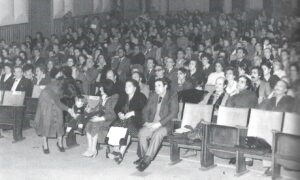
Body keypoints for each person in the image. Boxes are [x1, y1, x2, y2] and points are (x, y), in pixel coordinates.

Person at [136, 78, 179, 172]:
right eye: (155, 86)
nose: (156, 88)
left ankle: (146, 161)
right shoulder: (153, 95)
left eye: (159, 85)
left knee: (157, 134)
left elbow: (173, 113)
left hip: (166, 124)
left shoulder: (172, 95)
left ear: (165, 86)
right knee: (142, 133)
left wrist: (159, 124)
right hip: (152, 123)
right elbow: (145, 110)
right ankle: (144, 157)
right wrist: (146, 122)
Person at [34, 68, 76, 154]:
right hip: (45, 100)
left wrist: (69, 109)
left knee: (59, 120)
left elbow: (58, 101)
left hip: (54, 99)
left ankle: (59, 143)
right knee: (46, 121)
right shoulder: (57, 87)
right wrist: (69, 110)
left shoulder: (64, 85)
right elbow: (58, 102)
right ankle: (44, 144)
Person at [108, 79, 147, 164]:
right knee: (116, 125)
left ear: (135, 88)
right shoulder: (123, 96)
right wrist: (119, 113)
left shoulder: (141, 97)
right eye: (126, 86)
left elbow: (145, 112)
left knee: (126, 128)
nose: (126, 88)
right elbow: (117, 108)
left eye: (129, 86)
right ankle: (116, 150)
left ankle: (120, 153)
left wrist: (133, 113)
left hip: (136, 121)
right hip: (122, 120)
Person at [83, 79, 119, 158]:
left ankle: (93, 149)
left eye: (102, 88)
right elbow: (97, 108)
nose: (100, 89)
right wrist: (89, 108)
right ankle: (89, 148)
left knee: (95, 123)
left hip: (108, 119)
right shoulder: (102, 96)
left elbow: (113, 114)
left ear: (107, 88)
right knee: (89, 123)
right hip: (100, 116)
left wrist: (100, 118)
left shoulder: (114, 98)